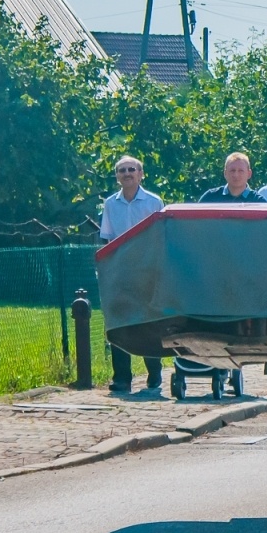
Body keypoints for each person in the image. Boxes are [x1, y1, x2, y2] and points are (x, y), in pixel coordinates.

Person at [99, 156, 165, 394]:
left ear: (140, 174)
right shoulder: (110, 204)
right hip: (120, 271)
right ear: (117, 176)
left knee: (148, 322)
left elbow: (161, 238)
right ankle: (122, 378)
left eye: (131, 170)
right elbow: (107, 238)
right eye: (122, 170)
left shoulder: (153, 202)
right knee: (120, 324)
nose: (127, 174)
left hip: (148, 270)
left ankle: (154, 371)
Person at [198, 151, 267, 203]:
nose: (236, 175)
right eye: (232, 170)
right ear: (225, 173)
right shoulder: (210, 198)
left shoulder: (258, 202)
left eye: (241, 171)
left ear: (249, 174)